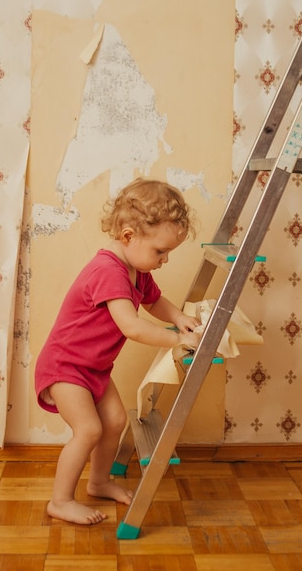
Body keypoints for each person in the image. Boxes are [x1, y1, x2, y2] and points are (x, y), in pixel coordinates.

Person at [35, 177, 201, 525]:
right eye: (160, 251)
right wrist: (176, 340)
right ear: (128, 236)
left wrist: (179, 318)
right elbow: (132, 325)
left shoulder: (136, 270)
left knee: (114, 421)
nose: (165, 259)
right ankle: (60, 501)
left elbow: (154, 302)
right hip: (66, 365)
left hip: (93, 368)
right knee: (89, 430)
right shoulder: (108, 270)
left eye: (168, 252)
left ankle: (98, 482)